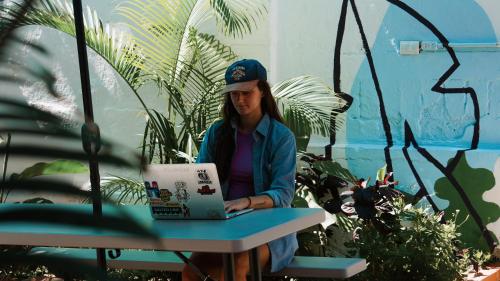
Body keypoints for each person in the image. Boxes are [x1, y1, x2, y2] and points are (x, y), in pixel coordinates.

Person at [182, 59, 297, 281]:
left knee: (234, 269)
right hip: (223, 228)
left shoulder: (281, 138)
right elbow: (200, 179)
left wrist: (247, 201)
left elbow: (283, 194)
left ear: (262, 91)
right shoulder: (217, 133)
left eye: (246, 92)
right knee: (190, 271)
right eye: (234, 94)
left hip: (269, 232)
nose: (240, 99)